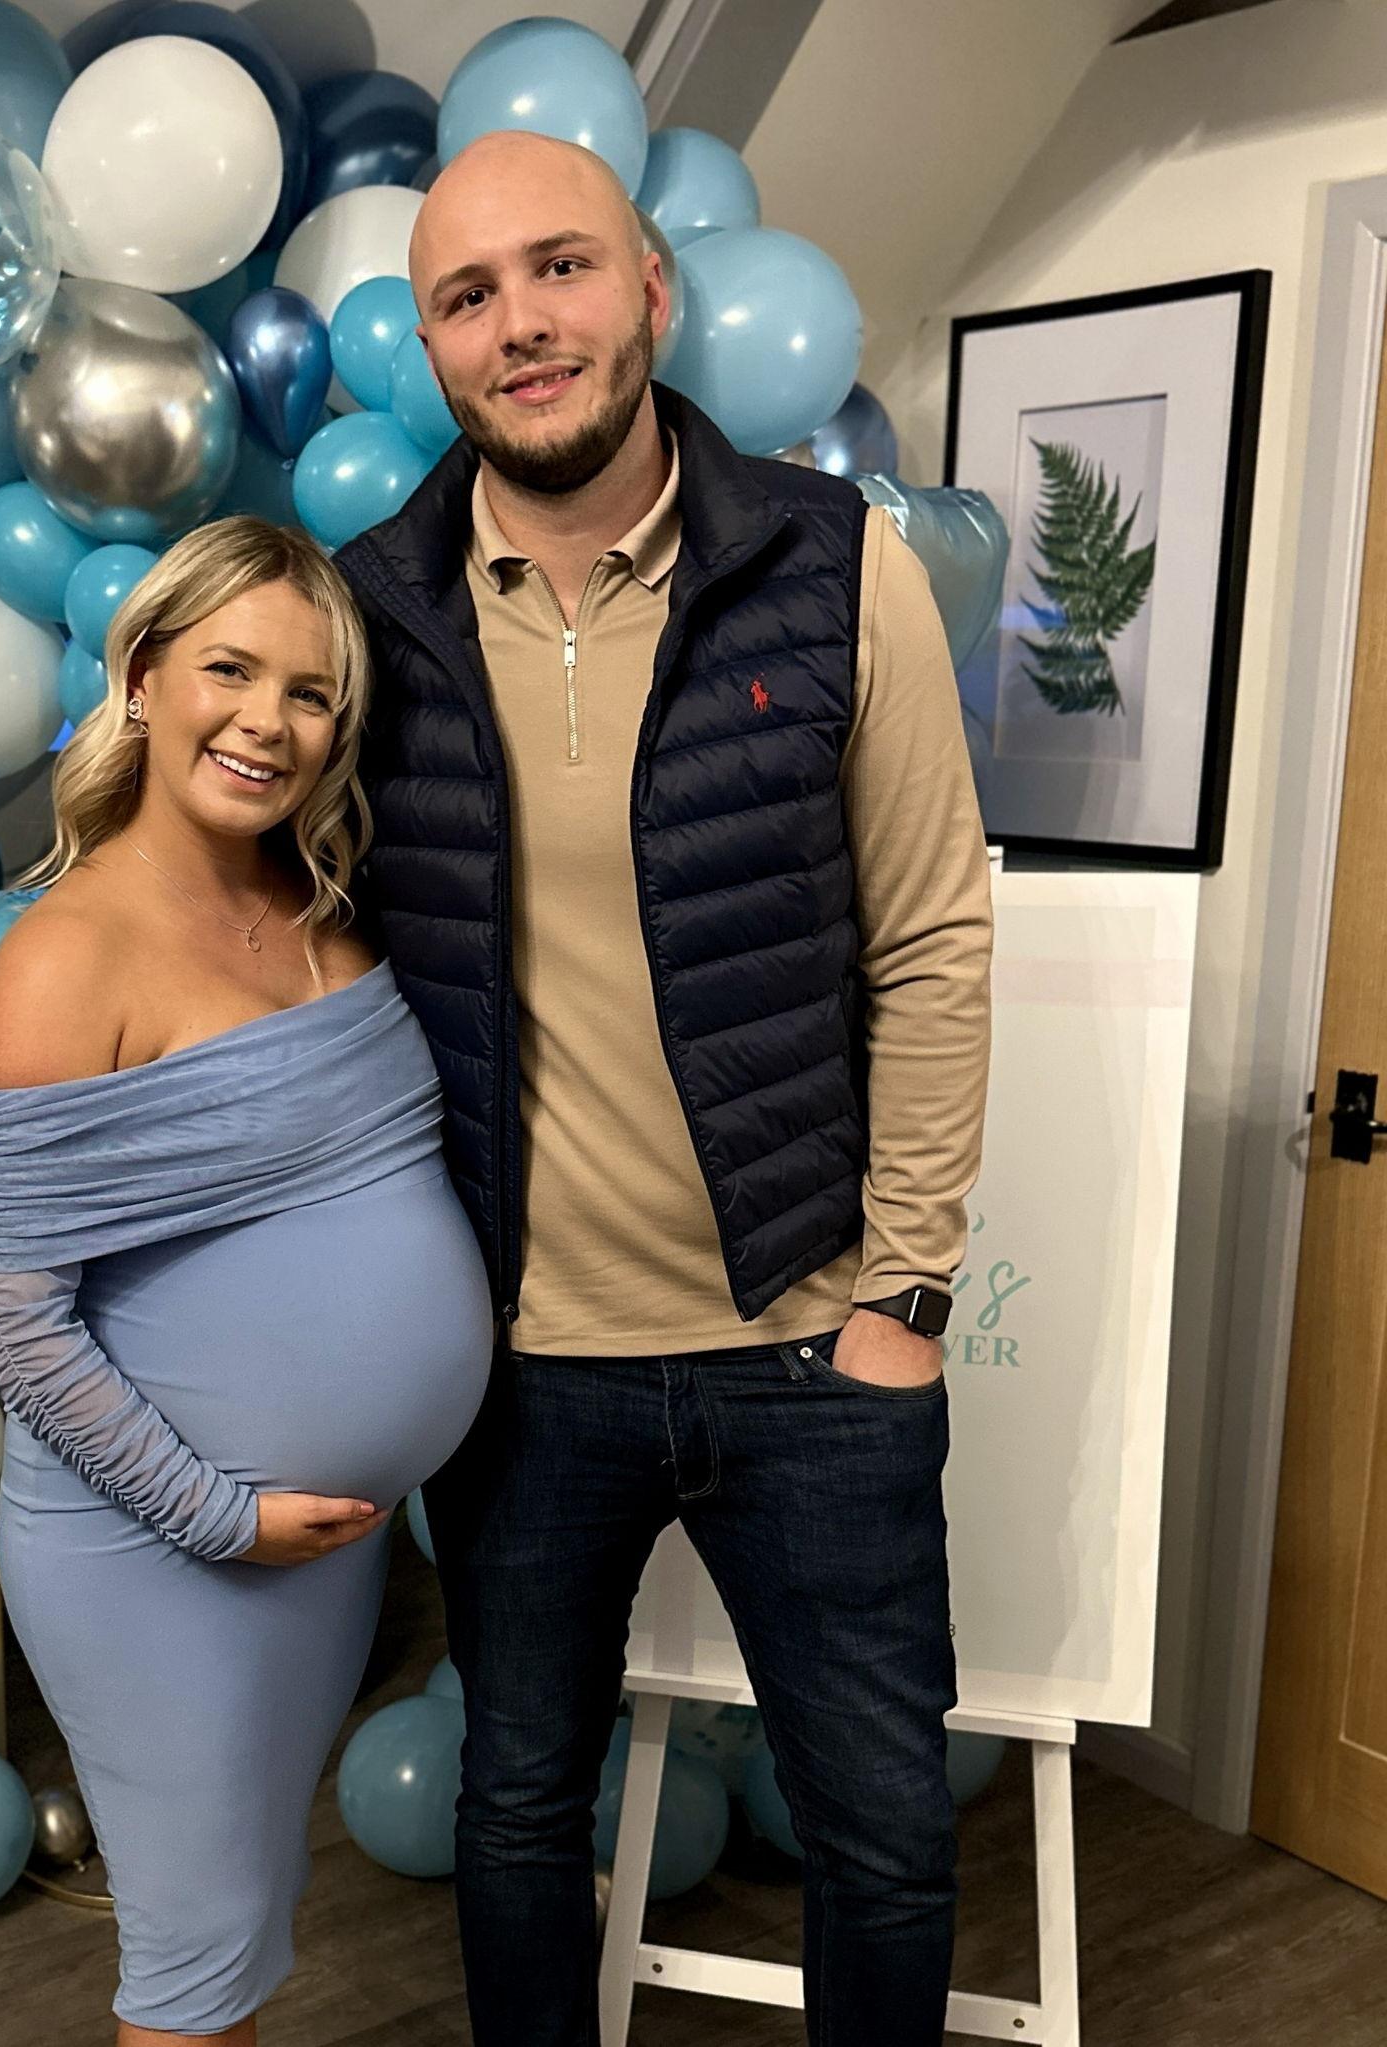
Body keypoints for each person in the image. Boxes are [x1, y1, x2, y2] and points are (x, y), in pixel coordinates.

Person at [333, 130, 995, 2046]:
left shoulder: (834, 566)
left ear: (652, 290)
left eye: (560, 268)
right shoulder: (364, 618)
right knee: (519, 1812)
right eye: (469, 296)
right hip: (518, 1369)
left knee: (885, 1839)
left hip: (812, 1349)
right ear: (432, 349)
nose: (521, 325)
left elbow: (933, 940)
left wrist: (901, 1299)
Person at [0, 516, 493, 2047]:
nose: (268, 721)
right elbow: (8, 1319)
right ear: (140, 677)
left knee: (242, 1927)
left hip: (313, 1549)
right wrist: (218, 1518)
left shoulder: (325, 912)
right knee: (195, 1962)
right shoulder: (65, 957)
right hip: (164, 1556)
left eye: (311, 694)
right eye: (230, 671)